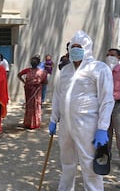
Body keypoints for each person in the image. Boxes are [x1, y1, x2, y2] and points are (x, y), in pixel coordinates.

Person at [48, 31, 114, 191]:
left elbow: (107, 100)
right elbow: (58, 96)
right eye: (73, 47)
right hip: (66, 125)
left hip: (88, 126)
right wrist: (53, 118)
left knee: (89, 165)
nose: (75, 50)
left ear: (87, 49)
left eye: (79, 47)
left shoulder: (99, 68)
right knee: (67, 163)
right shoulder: (65, 71)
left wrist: (102, 128)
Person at [17, 55, 47, 129]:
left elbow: (19, 74)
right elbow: (45, 82)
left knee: (33, 106)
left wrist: (26, 82)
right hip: (31, 91)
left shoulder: (36, 71)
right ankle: (32, 123)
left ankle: (31, 123)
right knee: (32, 106)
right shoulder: (40, 72)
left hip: (33, 91)